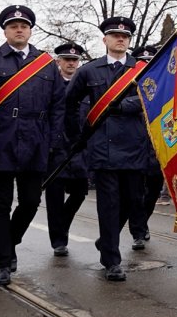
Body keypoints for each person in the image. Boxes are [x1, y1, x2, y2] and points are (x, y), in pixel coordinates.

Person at [0, 5, 65, 287]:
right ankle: (2, 263)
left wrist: (55, 139)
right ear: (5, 31)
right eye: (13, 26)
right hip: (0, 140)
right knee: (0, 205)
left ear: (30, 30)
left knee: (31, 201)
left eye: (23, 25)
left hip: (36, 140)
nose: (19, 29)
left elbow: (58, 104)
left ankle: (10, 241)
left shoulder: (45, 63)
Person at [64, 17, 149, 281]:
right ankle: (111, 259)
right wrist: (77, 137)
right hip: (103, 147)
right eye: (114, 35)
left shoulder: (143, 69)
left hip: (135, 145)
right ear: (105, 40)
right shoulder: (90, 71)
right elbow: (70, 103)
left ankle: (106, 241)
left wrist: (126, 106)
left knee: (133, 202)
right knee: (109, 205)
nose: (120, 39)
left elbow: (154, 97)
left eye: (124, 36)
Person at [44, 42, 91, 257]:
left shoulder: (86, 87)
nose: (71, 63)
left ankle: (63, 223)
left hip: (79, 151)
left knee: (80, 192)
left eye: (74, 60)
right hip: (56, 151)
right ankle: (58, 240)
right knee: (54, 198)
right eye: (67, 59)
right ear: (58, 62)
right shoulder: (51, 86)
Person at [127, 43, 163, 247]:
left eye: (150, 63)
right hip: (134, 149)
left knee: (152, 192)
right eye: (143, 64)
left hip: (156, 150)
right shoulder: (129, 87)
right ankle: (138, 231)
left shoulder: (161, 88)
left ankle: (142, 223)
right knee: (134, 194)